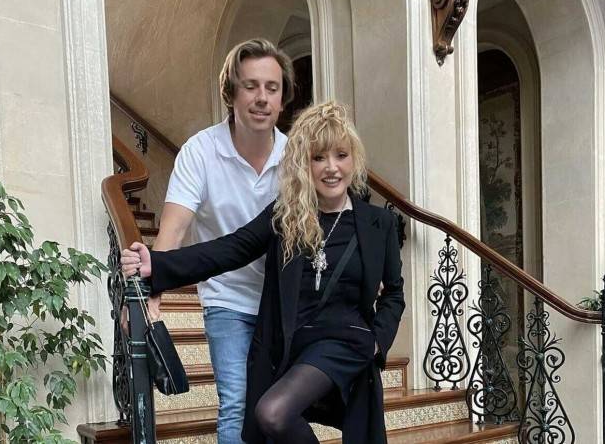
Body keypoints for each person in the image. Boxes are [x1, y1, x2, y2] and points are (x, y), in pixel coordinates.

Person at [123, 102, 405, 444]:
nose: (331, 168)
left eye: (341, 155)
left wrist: (377, 341)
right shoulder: (286, 216)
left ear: (354, 160)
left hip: (346, 342)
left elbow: (394, 293)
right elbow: (231, 249)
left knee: (273, 412)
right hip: (294, 345)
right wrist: (158, 264)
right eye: (319, 157)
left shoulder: (379, 223)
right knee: (268, 420)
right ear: (304, 164)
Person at [144, 38, 294, 444]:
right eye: (250, 86)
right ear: (230, 93)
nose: (261, 98)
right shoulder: (200, 151)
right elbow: (173, 229)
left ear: (282, 99)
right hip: (227, 298)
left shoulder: (296, 156)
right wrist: (152, 290)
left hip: (282, 300)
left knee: (282, 409)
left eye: (272, 88)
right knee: (238, 404)